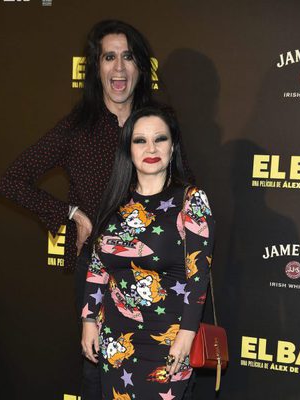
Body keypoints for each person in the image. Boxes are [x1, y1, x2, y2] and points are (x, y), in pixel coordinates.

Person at [0, 20, 192, 400]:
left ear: (139, 67)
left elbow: (185, 193)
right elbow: (11, 180)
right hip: (98, 276)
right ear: (96, 66)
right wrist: (70, 214)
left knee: (163, 375)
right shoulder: (76, 128)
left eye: (128, 57)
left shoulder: (157, 125)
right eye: (109, 57)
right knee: (96, 374)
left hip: (160, 274)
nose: (119, 68)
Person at [81, 106, 215, 399]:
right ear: (128, 149)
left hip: (167, 342)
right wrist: (89, 320)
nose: (151, 148)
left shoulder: (190, 200)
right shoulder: (115, 201)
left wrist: (187, 334)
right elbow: (98, 267)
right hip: (115, 342)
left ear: (173, 145)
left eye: (160, 139)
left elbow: (198, 276)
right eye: (140, 140)